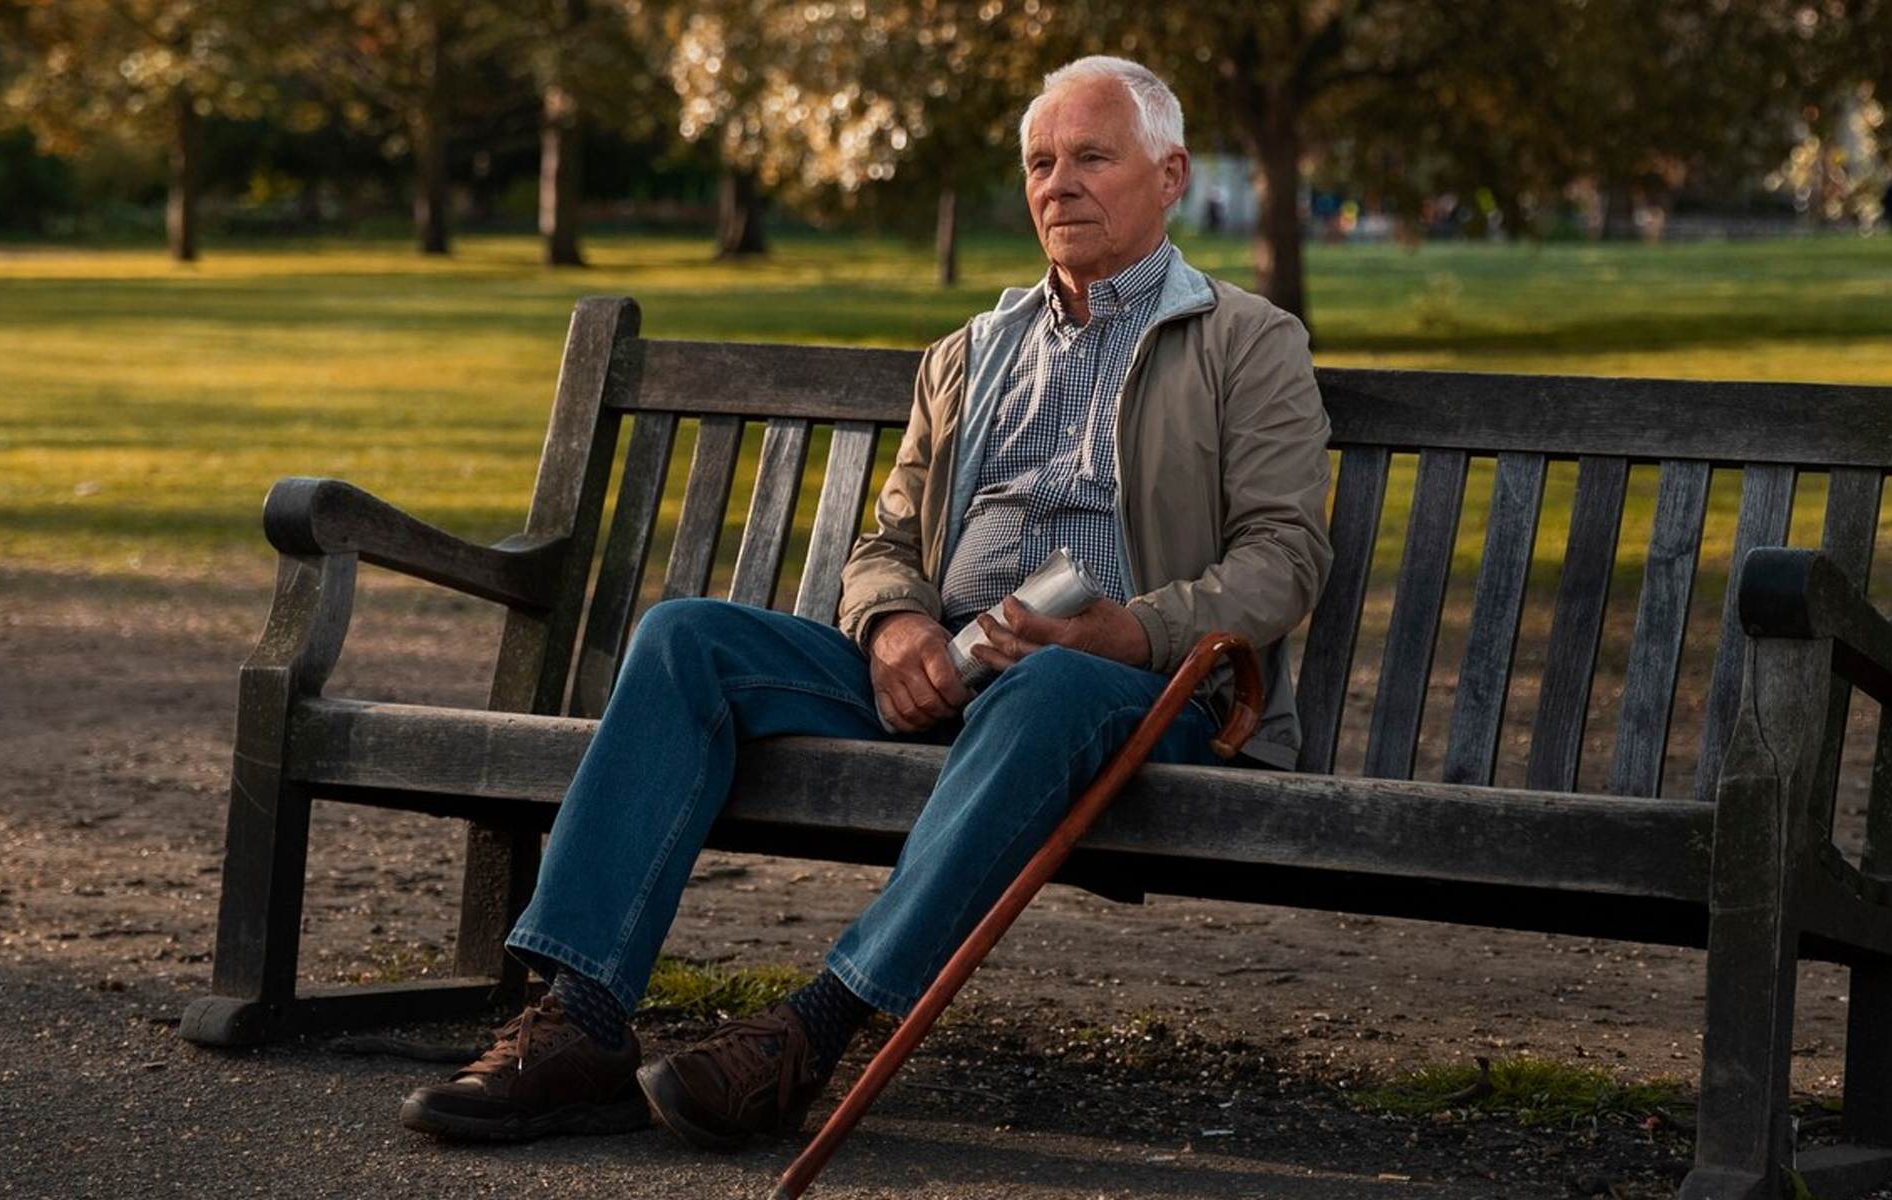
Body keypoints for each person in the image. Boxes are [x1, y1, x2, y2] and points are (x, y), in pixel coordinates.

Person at [397, 54, 1333, 1150]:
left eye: (1092, 157)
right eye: (1041, 162)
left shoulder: (1244, 341)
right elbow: (887, 542)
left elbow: (1284, 554)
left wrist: (1129, 628)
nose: (1059, 184)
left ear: (1170, 175)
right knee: (684, 638)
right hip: (953, 665)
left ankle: (811, 1031)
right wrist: (893, 626)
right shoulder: (971, 353)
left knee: (1054, 687)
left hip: (1131, 689)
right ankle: (584, 1021)